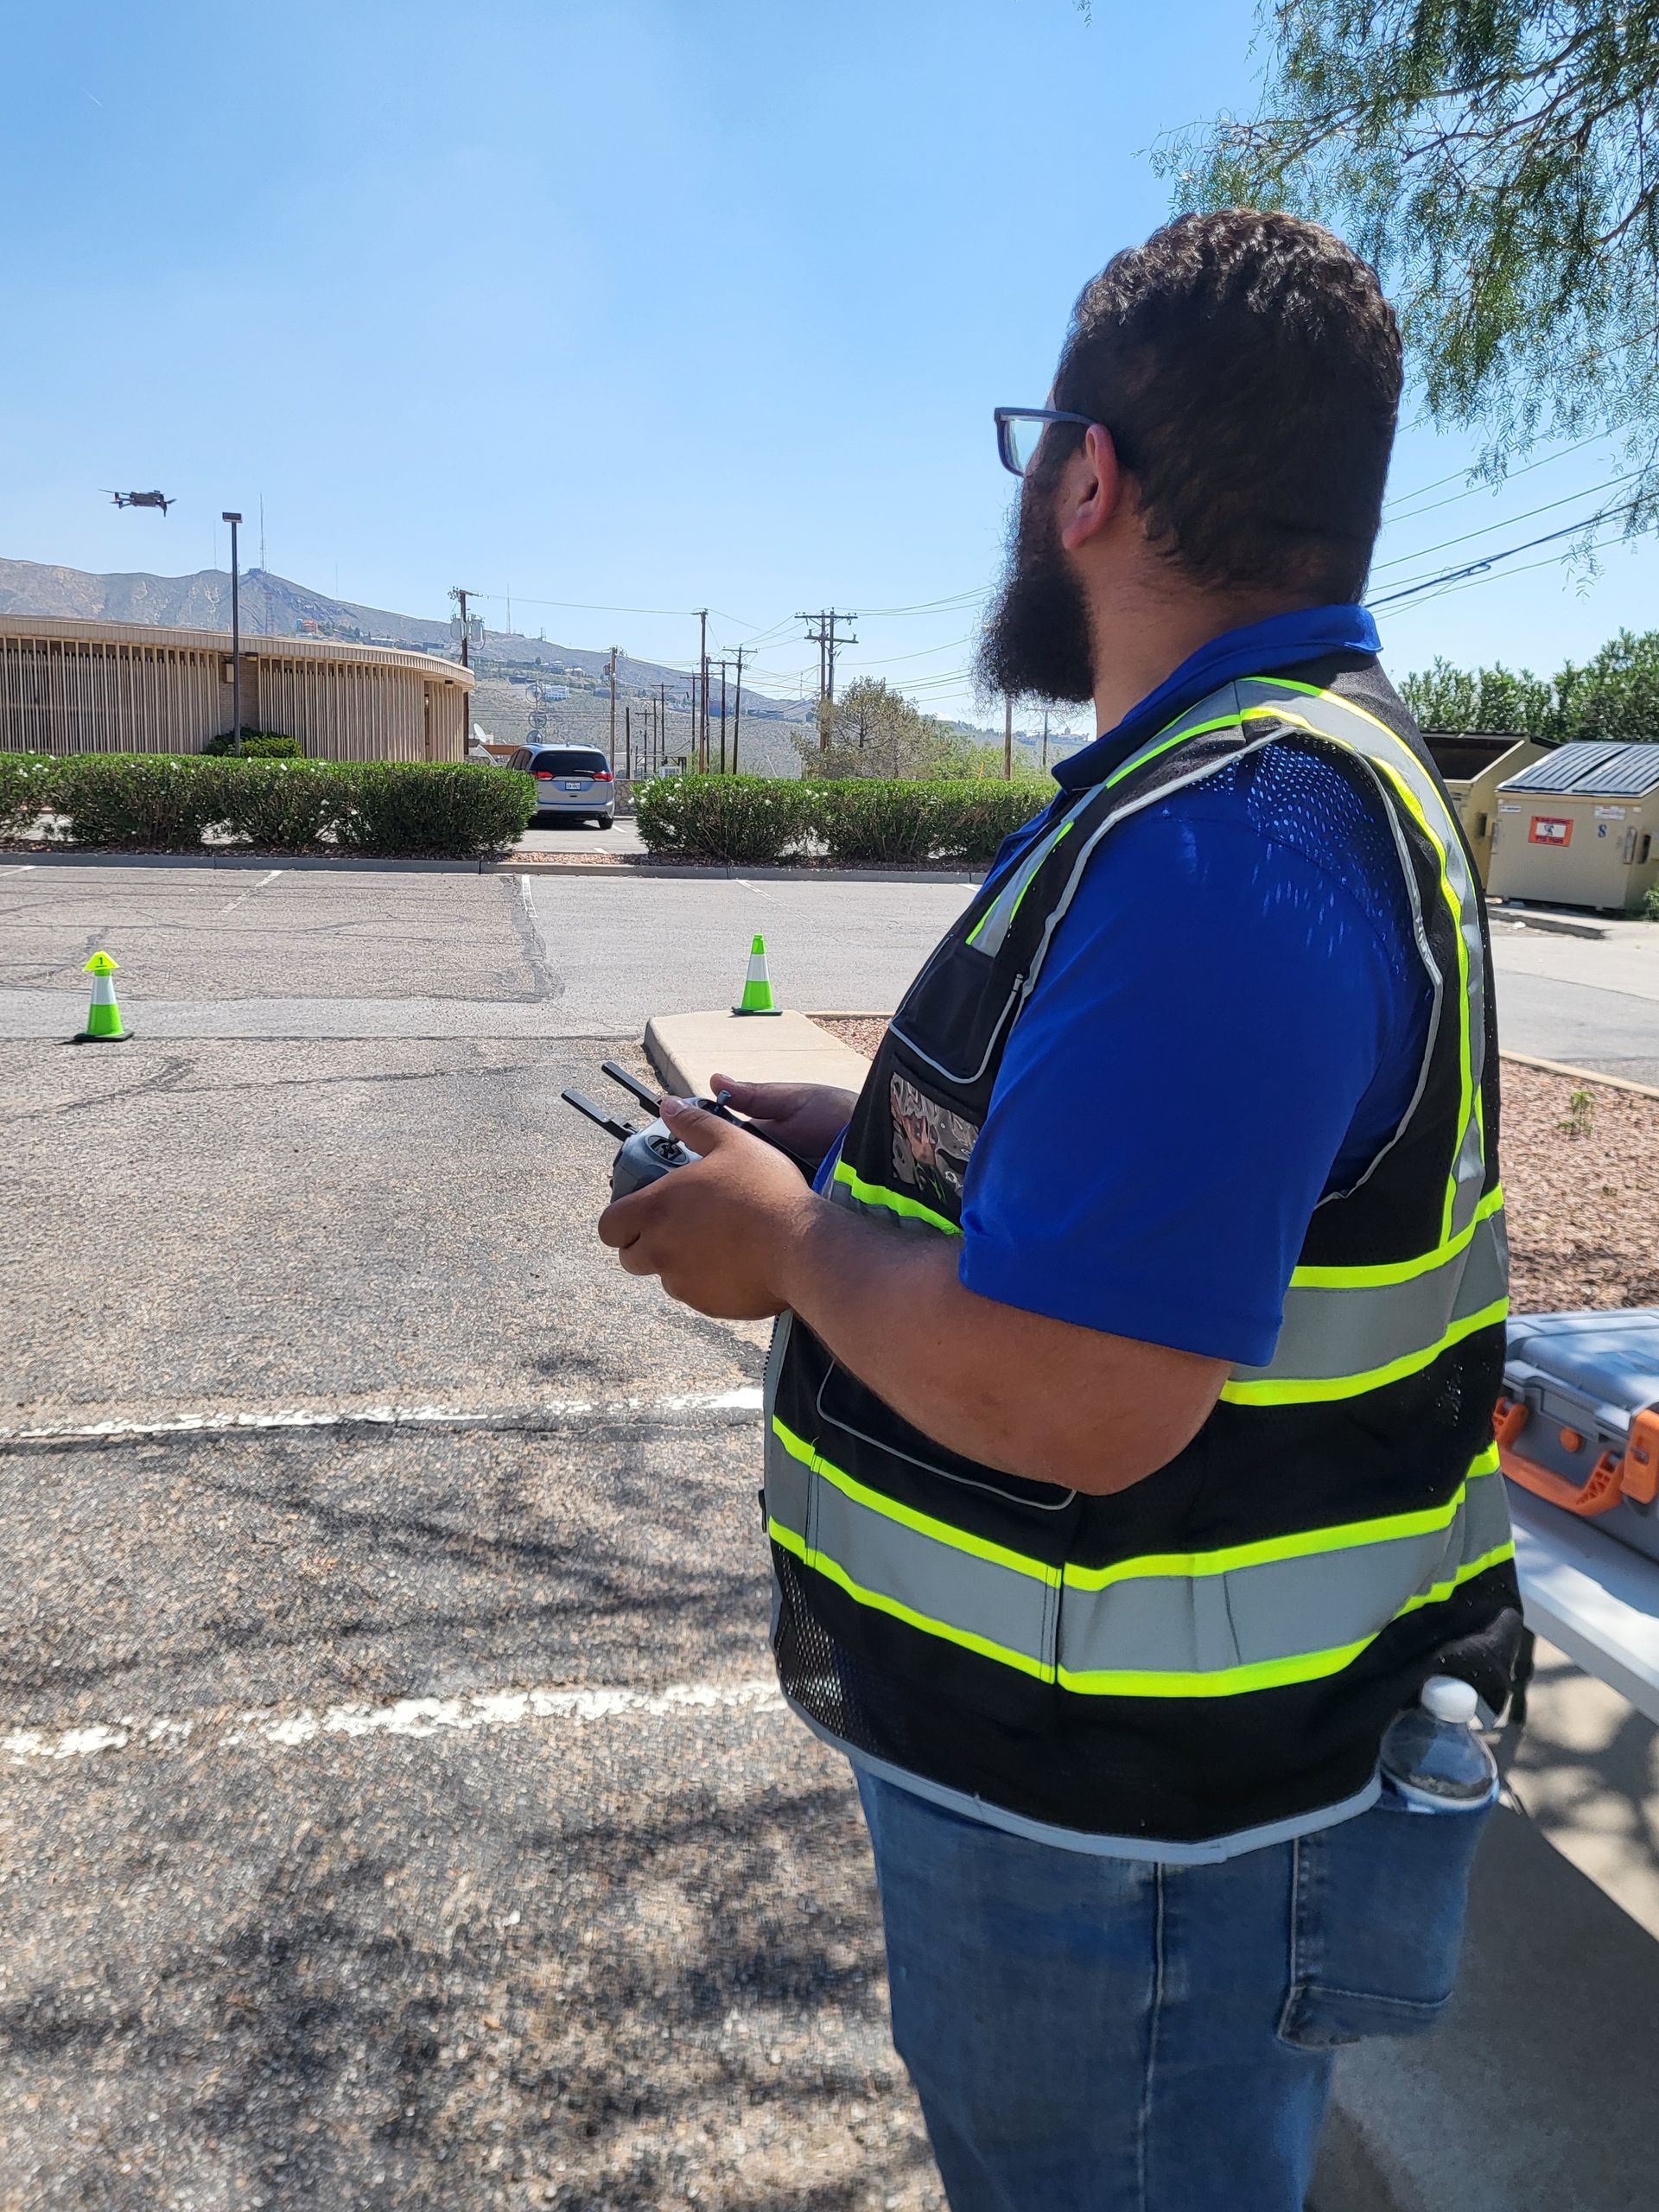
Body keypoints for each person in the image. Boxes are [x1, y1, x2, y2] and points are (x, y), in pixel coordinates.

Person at [599, 209, 1523, 2211]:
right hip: (1143, 1822)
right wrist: (858, 1119)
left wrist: (785, 1244)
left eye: (1037, 453)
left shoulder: (1227, 838)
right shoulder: (1262, 787)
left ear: (1086, 476)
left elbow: (1086, 1394)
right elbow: (1174, 1191)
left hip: (1132, 1855)